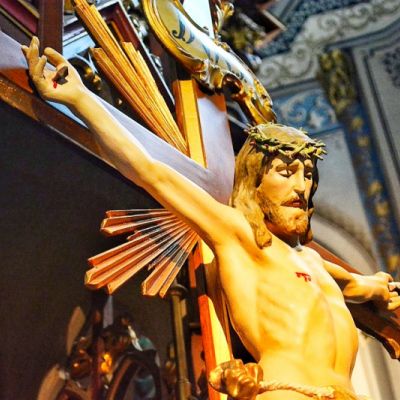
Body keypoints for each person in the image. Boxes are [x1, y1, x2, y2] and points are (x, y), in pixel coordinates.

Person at [22, 37, 400, 400]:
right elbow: (151, 172)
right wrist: (81, 98)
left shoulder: (313, 261)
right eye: (286, 172)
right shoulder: (238, 235)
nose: (301, 187)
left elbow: (358, 287)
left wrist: (379, 291)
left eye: (308, 175)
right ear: (255, 182)